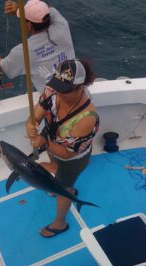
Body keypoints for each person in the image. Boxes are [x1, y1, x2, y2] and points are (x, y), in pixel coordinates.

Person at [26, 59, 99, 237]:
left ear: (81, 87)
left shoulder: (86, 119)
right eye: (57, 86)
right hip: (53, 140)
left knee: (63, 188)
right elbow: (37, 113)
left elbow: (66, 154)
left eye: (64, 90)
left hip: (72, 159)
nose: (58, 93)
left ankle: (60, 223)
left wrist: (44, 142)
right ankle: (66, 186)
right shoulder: (53, 90)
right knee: (55, 168)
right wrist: (32, 124)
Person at [0, 0, 75, 93]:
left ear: (29, 25)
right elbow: (46, 8)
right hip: (79, 92)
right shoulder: (62, 26)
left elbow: (5, 67)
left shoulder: (23, 51)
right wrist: (18, 9)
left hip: (56, 102)